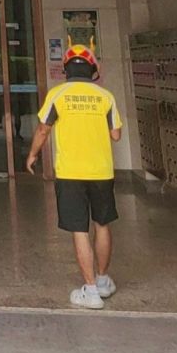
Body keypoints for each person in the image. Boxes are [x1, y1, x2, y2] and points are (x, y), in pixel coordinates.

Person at [26, 44, 123, 310]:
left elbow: (43, 129)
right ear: (93, 69)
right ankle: (103, 281)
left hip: (70, 173)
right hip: (101, 171)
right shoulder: (105, 96)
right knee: (102, 224)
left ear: (66, 70)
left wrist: (32, 154)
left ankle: (90, 292)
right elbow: (116, 135)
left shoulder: (58, 95)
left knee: (79, 229)